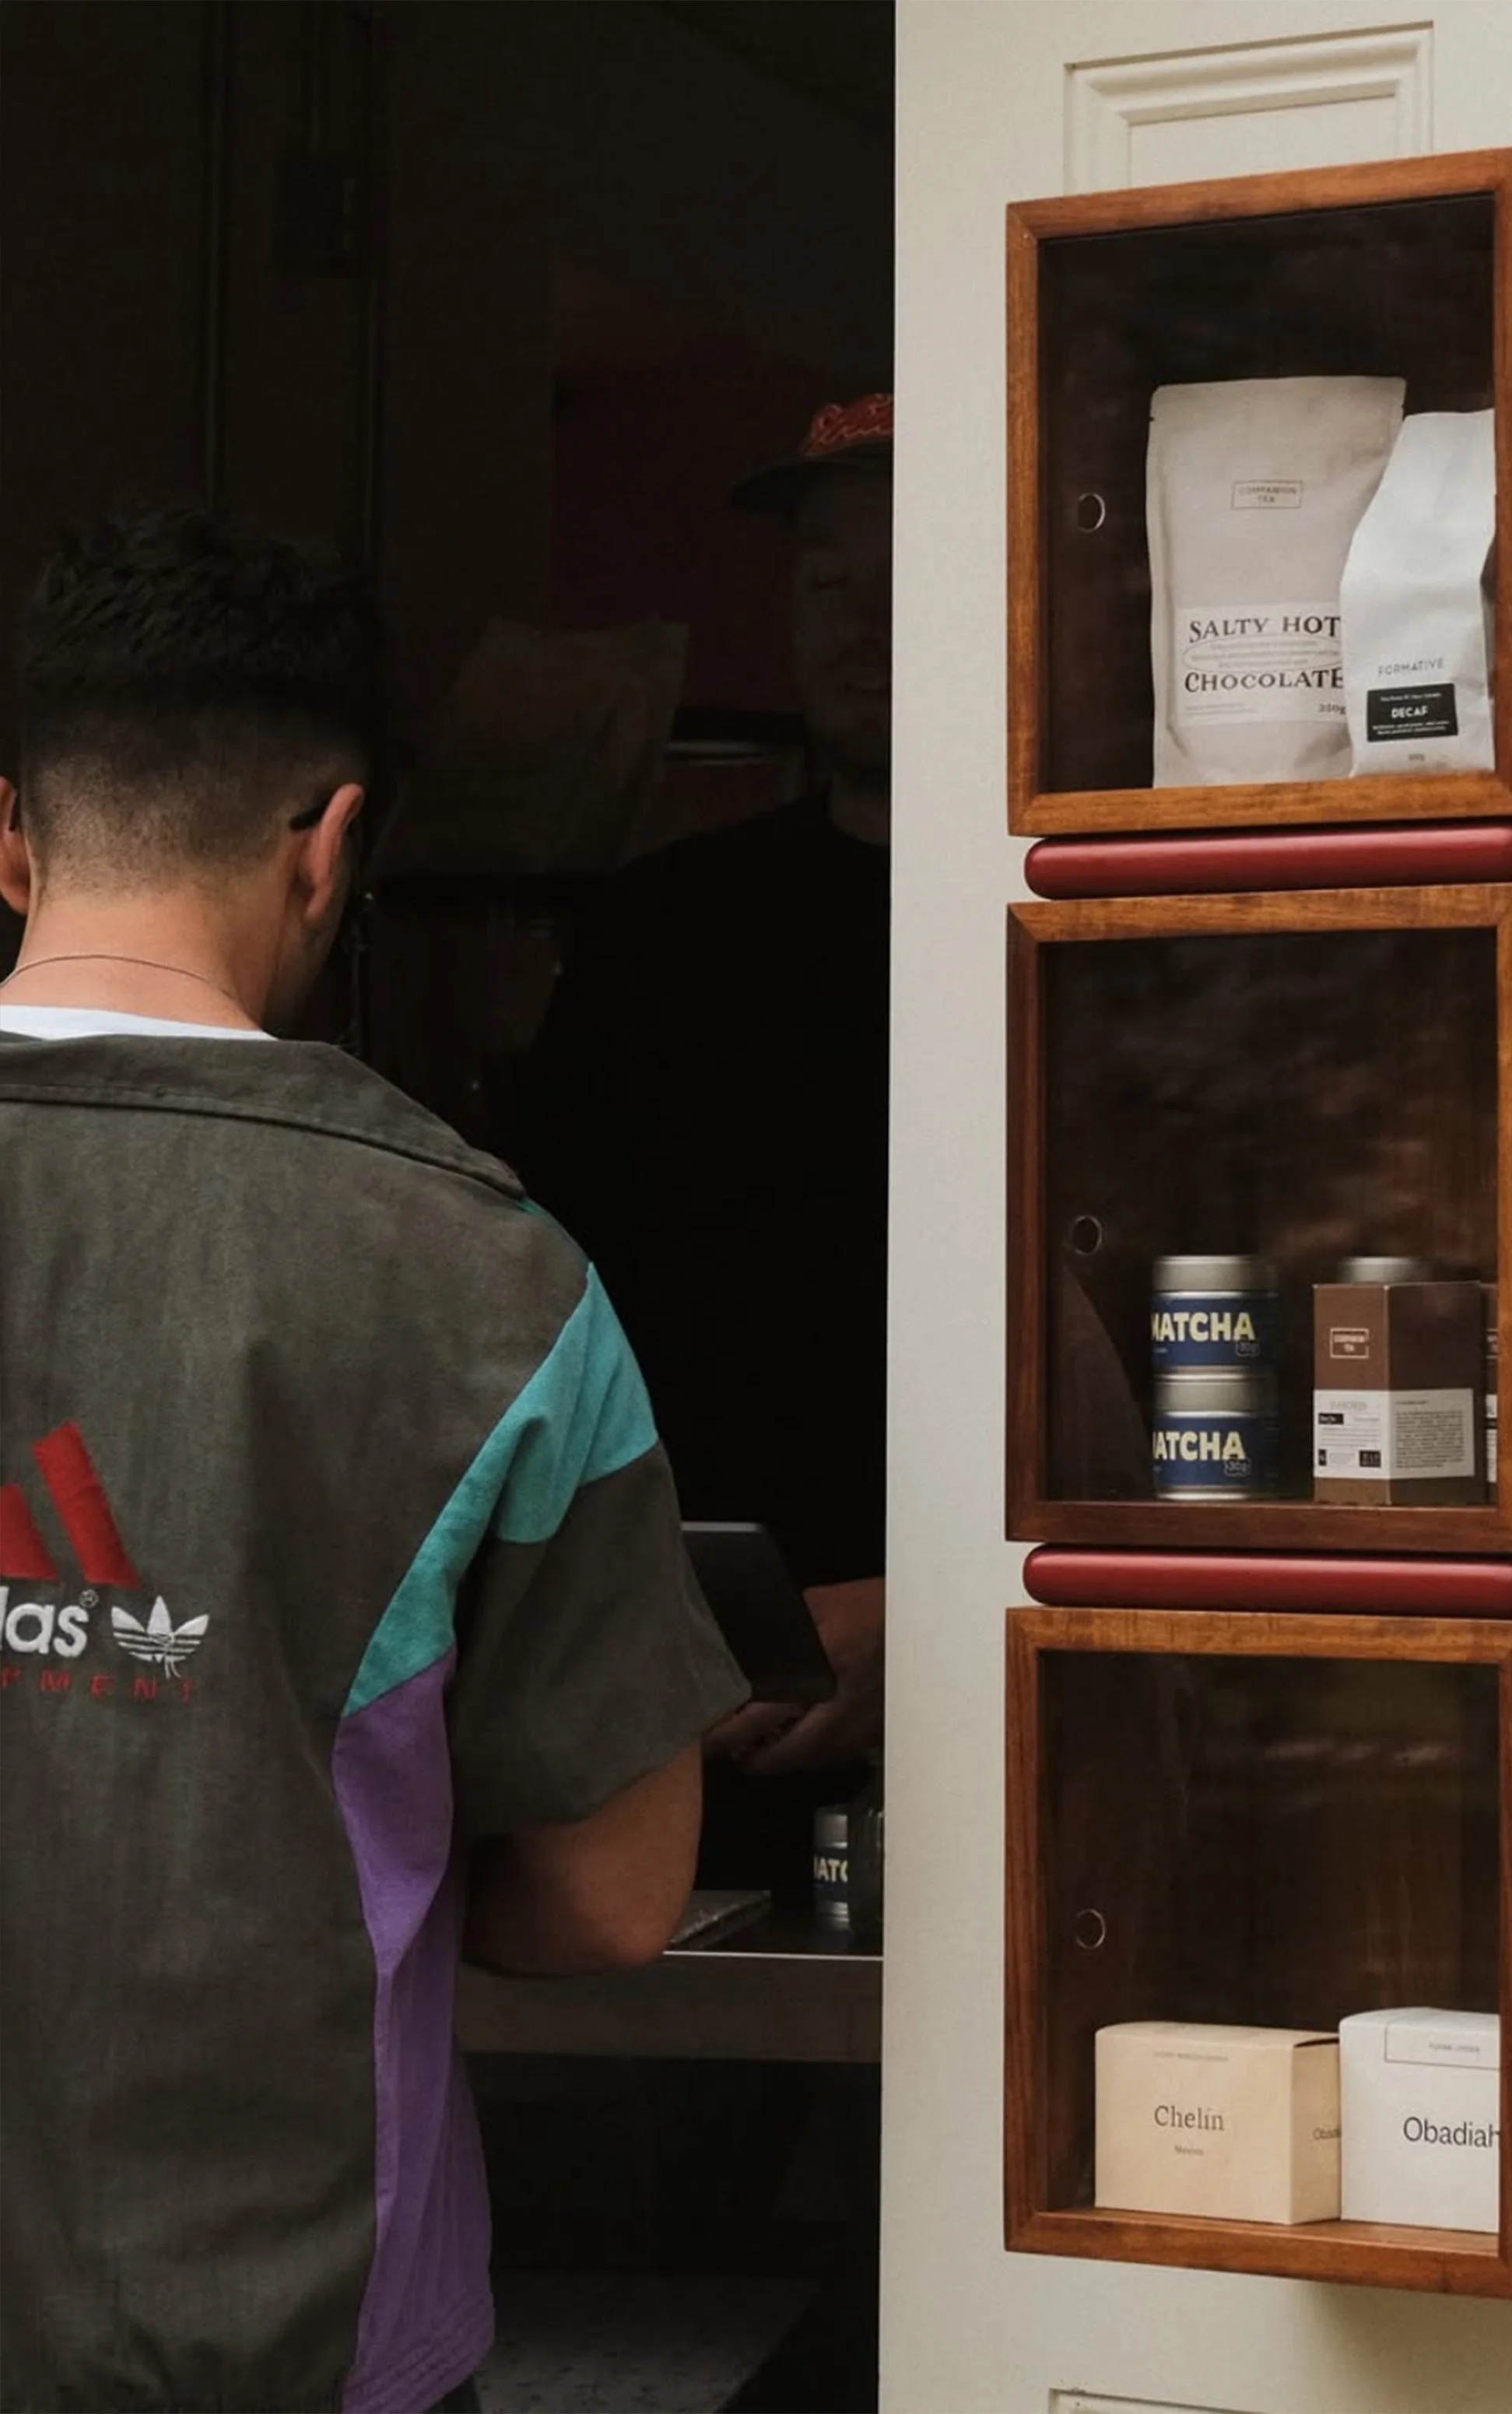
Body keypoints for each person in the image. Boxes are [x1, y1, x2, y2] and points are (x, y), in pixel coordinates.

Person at [0, 507, 748, 2414]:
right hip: (282, 2338)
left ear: (10, 838)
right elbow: (611, 1899)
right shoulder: (492, 1281)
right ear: (333, 847)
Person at [520, 393, 893, 1798]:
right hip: (684, 1694)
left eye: (908, 575)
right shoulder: (661, 932)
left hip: (1013, 1671)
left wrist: (952, 1606)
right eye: (827, 581)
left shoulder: (1072, 922)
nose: (866, 622)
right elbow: (542, 1312)